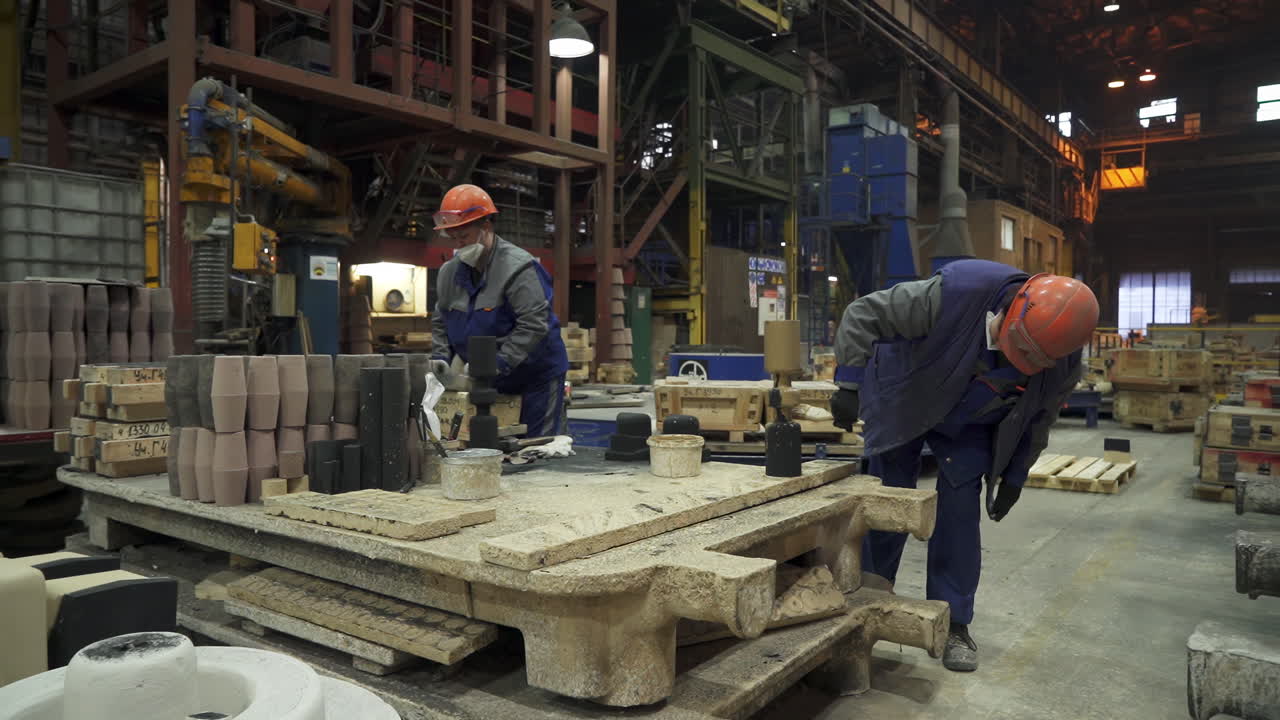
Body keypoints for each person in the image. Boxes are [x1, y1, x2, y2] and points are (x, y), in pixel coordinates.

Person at [829, 258, 1098, 672]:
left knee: (958, 516)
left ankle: (954, 623)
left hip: (972, 418)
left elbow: (1037, 419)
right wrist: (848, 381)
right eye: (1018, 347)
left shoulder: (1061, 358)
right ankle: (866, 608)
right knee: (887, 505)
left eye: (1032, 357)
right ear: (1013, 308)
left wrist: (1014, 477)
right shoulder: (950, 295)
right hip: (910, 395)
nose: (1021, 358)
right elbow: (862, 313)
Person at [429, 184, 569, 436]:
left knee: (535, 450)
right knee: (493, 446)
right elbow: (441, 320)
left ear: (486, 227)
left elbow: (534, 324)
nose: (459, 246)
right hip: (488, 380)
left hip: (535, 377)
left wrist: (497, 363)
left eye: (465, 237)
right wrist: (442, 359)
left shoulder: (518, 269)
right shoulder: (449, 273)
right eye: (453, 238)